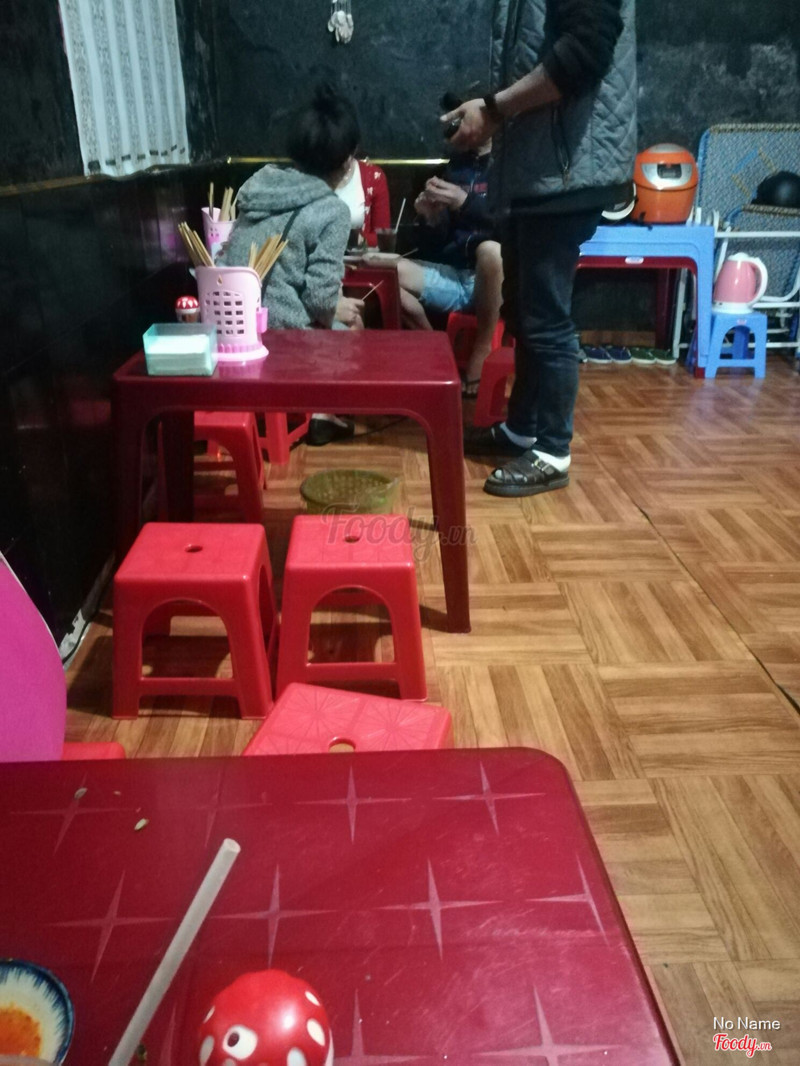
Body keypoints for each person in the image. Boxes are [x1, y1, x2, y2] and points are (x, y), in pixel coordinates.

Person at [444, 0, 637, 496]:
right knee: (525, 311)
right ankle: (523, 429)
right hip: (538, 171)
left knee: (546, 317)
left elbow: (582, 55)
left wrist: (492, 109)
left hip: (567, 170)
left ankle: (553, 451)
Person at [221, 83, 364, 444]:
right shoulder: (332, 211)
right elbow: (319, 300)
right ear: (348, 162)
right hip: (281, 334)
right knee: (353, 328)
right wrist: (338, 308)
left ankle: (306, 410)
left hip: (233, 327)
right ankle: (321, 412)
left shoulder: (259, 188)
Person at [397, 113, 503, 395]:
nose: (460, 130)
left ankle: (483, 348)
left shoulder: (510, 164)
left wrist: (464, 202)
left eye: (466, 120)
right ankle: (438, 351)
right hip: (455, 275)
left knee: (491, 251)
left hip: (497, 282)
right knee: (388, 274)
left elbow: (511, 223)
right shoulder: (454, 169)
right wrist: (430, 219)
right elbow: (433, 245)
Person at [335, 156, 391, 247]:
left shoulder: (373, 175)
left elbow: (382, 238)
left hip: (356, 254)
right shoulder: (311, 174)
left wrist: (355, 239)